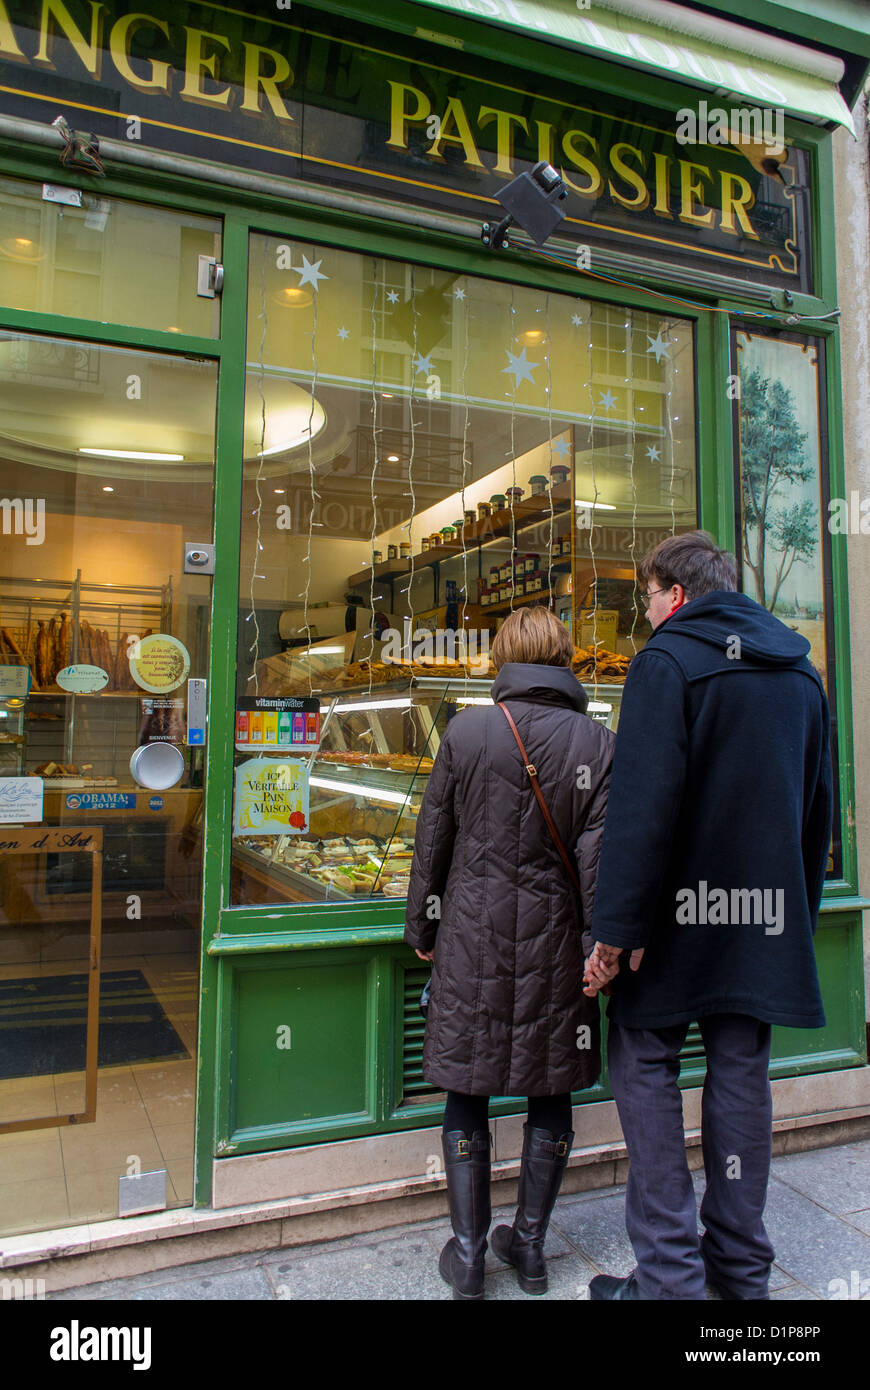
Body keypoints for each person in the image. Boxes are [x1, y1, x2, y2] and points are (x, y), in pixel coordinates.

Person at [583, 530, 833, 1301]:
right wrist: (797, 916)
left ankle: (669, 1280)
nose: (646, 612)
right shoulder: (801, 673)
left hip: (671, 925)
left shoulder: (666, 663)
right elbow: (815, 814)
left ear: (677, 594)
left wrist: (614, 935)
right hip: (760, 918)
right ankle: (737, 1272)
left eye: (647, 597)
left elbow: (640, 814)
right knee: (739, 1073)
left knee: (645, 1066)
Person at [404, 605, 614, 1299]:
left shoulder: (468, 731)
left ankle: (467, 1255)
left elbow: (433, 840)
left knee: (466, 1088)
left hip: (471, 936)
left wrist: (422, 931)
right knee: (549, 1089)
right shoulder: (595, 742)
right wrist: (596, 947)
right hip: (557, 945)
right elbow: (599, 863)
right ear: (564, 656)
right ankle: (528, 1249)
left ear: (503, 656)